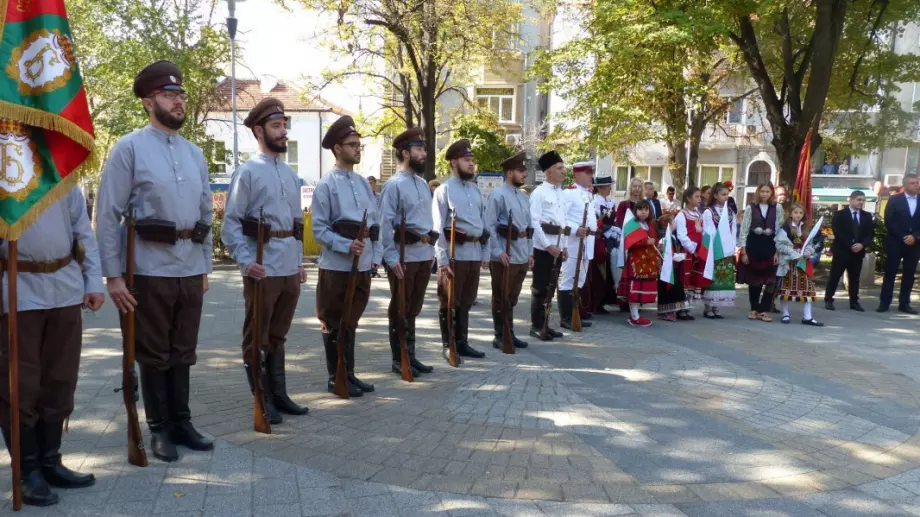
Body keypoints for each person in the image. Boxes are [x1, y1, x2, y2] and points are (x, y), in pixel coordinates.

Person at [97, 60, 214, 462]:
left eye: (180, 94)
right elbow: (108, 214)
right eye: (169, 95)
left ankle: (182, 421)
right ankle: (159, 428)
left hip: (188, 267)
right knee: (152, 351)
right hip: (146, 269)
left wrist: (205, 266)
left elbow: (205, 214)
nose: (178, 100)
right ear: (149, 103)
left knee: (183, 349)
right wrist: (112, 276)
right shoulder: (128, 148)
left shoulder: (195, 153)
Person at [0, 187, 104, 506]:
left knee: (60, 379)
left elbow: (82, 229)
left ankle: (50, 461)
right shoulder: (5, 171)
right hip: (17, 287)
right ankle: (27, 470)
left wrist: (93, 281)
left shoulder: (63, 174)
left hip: (65, 286)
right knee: (21, 384)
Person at [221, 97, 309, 424]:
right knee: (257, 335)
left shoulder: (289, 174)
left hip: (287, 265)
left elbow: (297, 225)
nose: (283, 131)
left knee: (279, 335)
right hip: (262, 266)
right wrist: (245, 261)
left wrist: (299, 262)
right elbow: (231, 224)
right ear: (259, 130)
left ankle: (279, 393)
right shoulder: (248, 172)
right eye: (276, 125)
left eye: (285, 124)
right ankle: (261, 396)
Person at [313, 115, 382, 397]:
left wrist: (374, 255)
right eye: (353, 145)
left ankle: (349, 373)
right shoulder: (326, 184)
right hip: (337, 267)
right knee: (335, 321)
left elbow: (374, 223)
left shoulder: (364, 184)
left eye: (359, 145)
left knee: (351, 321)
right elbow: (319, 229)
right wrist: (345, 245)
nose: (358, 149)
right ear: (338, 148)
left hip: (362, 265)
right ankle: (336, 376)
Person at [379, 128, 436, 377]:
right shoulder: (393, 185)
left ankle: (411, 355)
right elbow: (384, 225)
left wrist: (432, 250)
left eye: (424, 149)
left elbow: (427, 221)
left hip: (423, 255)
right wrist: (390, 258)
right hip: (403, 256)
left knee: (414, 308)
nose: (424, 153)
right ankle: (398, 357)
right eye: (419, 149)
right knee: (400, 308)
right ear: (405, 153)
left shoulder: (422, 184)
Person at [433, 139, 489, 361]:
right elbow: (437, 227)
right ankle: (448, 345)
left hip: (474, 252)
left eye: (472, 160)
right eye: (467, 160)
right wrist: (442, 260)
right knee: (448, 301)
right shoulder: (444, 190)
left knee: (466, 300)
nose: (472, 164)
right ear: (454, 162)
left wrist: (485, 253)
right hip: (454, 254)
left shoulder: (475, 191)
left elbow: (483, 225)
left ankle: (462, 342)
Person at [485, 152, 534, 349]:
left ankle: (510, 332)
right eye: (521, 171)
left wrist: (530, 252)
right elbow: (489, 225)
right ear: (509, 173)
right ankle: (500, 335)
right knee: (501, 296)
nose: (524, 174)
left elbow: (529, 228)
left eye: (524, 170)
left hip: (521, 252)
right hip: (505, 254)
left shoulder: (523, 197)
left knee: (512, 297)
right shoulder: (497, 195)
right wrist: (497, 252)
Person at [528, 151, 568, 341]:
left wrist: (564, 246)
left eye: (563, 168)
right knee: (540, 288)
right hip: (543, 248)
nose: (563, 172)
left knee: (551, 288)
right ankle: (536, 325)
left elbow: (563, 223)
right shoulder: (539, 193)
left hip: (558, 247)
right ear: (548, 173)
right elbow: (534, 223)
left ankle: (546, 324)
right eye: (559, 169)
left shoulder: (560, 193)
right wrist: (547, 246)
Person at [559, 162, 598, 330]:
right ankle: (566, 317)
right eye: (588, 172)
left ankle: (577, 313)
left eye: (591, 172)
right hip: (574, 243)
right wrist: (575, 229)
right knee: (569, 280)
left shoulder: (589, 195)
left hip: (587, 243)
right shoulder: (569, 193)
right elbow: (561, 218)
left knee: (580, 280)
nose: (591, 176)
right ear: (577, 174)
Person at [737, 183, 782, 322]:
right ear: (758, 192)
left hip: (770, 246)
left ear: (771, 193)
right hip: (754, 245)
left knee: (771, 280)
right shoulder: (751, 208)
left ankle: (764, 309)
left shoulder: (777, 207)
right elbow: (744, 229)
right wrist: (743, 251)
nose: (764, 194)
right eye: (762, 191)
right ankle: (754, 308)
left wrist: (778, 251)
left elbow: (780, 230)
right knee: (754, 280)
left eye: (767, 191)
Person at [775, 203, 824, 326]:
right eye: (796, 212)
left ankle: (807, 317)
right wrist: (793, 253)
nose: (798, 215)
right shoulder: (785, 228)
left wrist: (808, 251)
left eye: (801, 213)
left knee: (807, 289)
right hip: (789, 263)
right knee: (785, 289)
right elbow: (780, 245)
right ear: (790, 213)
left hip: (803, 262)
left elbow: (811, 243)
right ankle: (785, 314)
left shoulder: (806, 228)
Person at [825, 190, 873, 311]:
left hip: (858, 253)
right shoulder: (840, 214)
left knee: (854, 278)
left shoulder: (866, 216)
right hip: (842, 251)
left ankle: (854, 302)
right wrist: (850, 244)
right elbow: (837, 231)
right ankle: (829, 299)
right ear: (850, 200)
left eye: (863, 200)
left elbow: (870, 234)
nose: (861, 202)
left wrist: (862, 245)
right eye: (858, 199)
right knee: (835, 276)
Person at [878, 174, 920, 313]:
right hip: (896, 242)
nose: (917, 185)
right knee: (890, 272)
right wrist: (903, 236)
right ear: (906, 185)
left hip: (914, 244)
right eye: (913, 183)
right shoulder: (895, 200)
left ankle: (904, 303)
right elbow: (889, 220)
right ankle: (884, 302)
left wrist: (914, 236)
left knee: (909, 274)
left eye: (917, 182)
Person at [618, 199, 660, 326]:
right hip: (636, 262)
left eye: (646, 209)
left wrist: (656, 243)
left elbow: (654, 239)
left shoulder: (651, 225)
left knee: (643, 288)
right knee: (635, 288)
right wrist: (645, 242)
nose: (643, 212)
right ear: (635, 211)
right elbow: (629, 242)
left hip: (648, 262)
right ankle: (634, 316)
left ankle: (635, 315)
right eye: (640, 209)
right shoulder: (632, 225)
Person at [701, 183, 737, 318]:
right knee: (712, 278)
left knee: (722, 278)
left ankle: (716, 306)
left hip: (726, 250)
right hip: (714, 250)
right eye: (723, 194)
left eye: (727, 194)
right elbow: (708, 231)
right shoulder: (708, 212)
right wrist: (713, 247)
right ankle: (708, 307)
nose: (726, 197)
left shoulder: (730, 212)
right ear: (715, 196)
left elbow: (733, 230)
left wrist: (732, 246)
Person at [588, 173, 617, 314]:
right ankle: (595, 302)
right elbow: (596, 222)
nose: (609, 188)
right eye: (607, 186)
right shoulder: (595, 203)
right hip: (599, 238)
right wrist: (608, 228)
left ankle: (604, 300)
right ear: (599, 188)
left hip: (609, 238)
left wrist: (614, 228)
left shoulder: (610, 202)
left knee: (608, 269)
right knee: (599, 269)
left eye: (610, 185)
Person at [675, 187, 705, 313]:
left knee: (692, 278)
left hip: (697, 251)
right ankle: (681, 308)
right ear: (688, 198)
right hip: (687, 251)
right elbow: (681, 235)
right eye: (696, 196)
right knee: (684, 278)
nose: (699, 199)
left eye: (700, 196)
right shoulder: (682, 214)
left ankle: (687, 307)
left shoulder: (698, 214)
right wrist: (693, 248)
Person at [657, 218, 691, 322]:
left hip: (673, 268)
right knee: (669, 290)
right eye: (673, 222)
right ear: (669, 224)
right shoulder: (664, 239)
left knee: (677, 289)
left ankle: (678, 310)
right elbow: (665, 254)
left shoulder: (672, 237)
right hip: (666, 270)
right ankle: (667, 312)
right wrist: (679, 256)